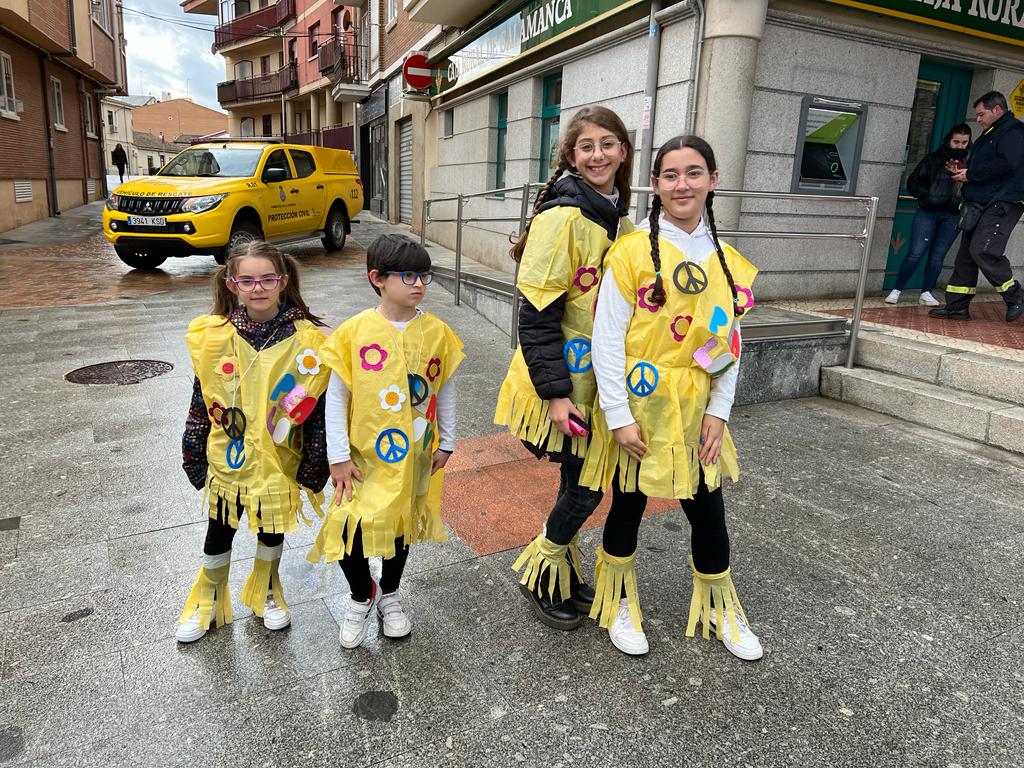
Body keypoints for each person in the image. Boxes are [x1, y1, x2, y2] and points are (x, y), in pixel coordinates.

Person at [581, 135, 763, 661]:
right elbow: (607, 340)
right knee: (628, 505)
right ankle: (617, 601)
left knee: (708, 509)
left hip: (695, 410)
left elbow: (726, 341)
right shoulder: (632, 251)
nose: (681, 184)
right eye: (670, 175)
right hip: (638, 406)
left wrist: (719, 410)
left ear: (713, 179)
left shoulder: (729, 262)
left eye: (693, 173)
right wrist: (617, 415)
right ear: (655, 184)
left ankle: (718, 605)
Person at [493, 106, 634, 634]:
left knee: (578, 480)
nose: (597, 154)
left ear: (623, 151)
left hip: (600, 383)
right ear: (571, 156)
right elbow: (536, 314)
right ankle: (541, 569)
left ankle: (559, 575)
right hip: (565, 384)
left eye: (607, 143)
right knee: (588, 487)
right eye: (586, 146)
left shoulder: (619, 218)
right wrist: (555, 394)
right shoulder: (563, 218)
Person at [308, 235, 463, 649]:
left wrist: (446, 441)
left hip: (413, 455)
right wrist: (337, 457)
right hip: (360, 458)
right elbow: (336, 398)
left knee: (398, 529)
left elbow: (444, 388)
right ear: (377, 278)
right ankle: (363, 593)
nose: (419, 284)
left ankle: (390, 594)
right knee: (349, 529)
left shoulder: (437, 333)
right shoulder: (354, 333)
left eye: (425, 275)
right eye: (409, 275)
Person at [177, 241, 330, 643]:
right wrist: (193, 449)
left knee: (271, 530)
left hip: (279, 460)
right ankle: (206, 600)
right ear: (231, 284)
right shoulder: (215, 336)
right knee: (219, 529)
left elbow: (317, 409)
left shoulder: (309, 341)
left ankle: (266, 592)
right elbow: (202, 396)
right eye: (246, 280)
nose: (257, 287)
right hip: (228, 457)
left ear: (282, 281)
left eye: (267, 279)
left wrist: (317, 464)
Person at [930, 91, 1024, 323]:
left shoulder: (1014, 132)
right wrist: (963, 171)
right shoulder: (992, 132)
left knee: (983, 250)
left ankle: (1017, 297)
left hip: (1003, 202)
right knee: (966, 257)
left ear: (997, 110)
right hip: (980, 203)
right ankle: (957, 307)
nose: (978, 119)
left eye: (981, 114)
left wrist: (971, 174)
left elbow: (1006, 164)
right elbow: (987, 166)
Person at [885, 124, 972, 307]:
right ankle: (897, 290)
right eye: (956, 141)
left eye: (964, 142)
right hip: (928, 212)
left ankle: (927, 292)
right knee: (915, 253)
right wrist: (928, 194)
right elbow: (913, 182)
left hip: (952, 215)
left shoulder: (971, 163)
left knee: (938, 256)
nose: (960, 146)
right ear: (949, 140)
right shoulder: (933, 159)